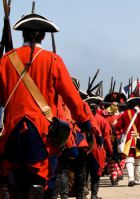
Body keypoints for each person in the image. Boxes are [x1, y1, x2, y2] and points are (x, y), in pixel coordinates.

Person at [0, 13, 95, 198]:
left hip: (11, 133)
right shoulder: (53, 60)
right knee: (39, 183)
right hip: (42, 134)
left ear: (23, 35)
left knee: (12, 183)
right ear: (43, 36)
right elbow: (72, 98)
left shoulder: (6, 60)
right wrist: (86, 124)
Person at [114, 97, 140, 186]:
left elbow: (117, 126)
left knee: (129, 159)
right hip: (138, 139)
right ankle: (138, 179)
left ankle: (130, 179)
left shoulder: (125, 113)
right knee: (138, 160)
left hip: (128, 140)